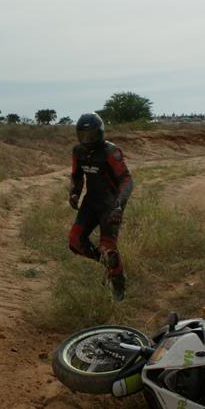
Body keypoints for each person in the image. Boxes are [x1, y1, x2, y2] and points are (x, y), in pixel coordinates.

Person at [67, 112, 133, 301]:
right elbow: (76, 175)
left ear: (101, 133)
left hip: (110, 205)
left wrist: (119, 205)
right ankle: (109, 265)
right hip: (90, 202)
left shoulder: (111, 152)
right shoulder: (78, 151)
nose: (87, 139)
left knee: (108, 249)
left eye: (92, 135)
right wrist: (74, 193)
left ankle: (118, 282)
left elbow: (127, 180)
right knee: (75, 241)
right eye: (83, 135)